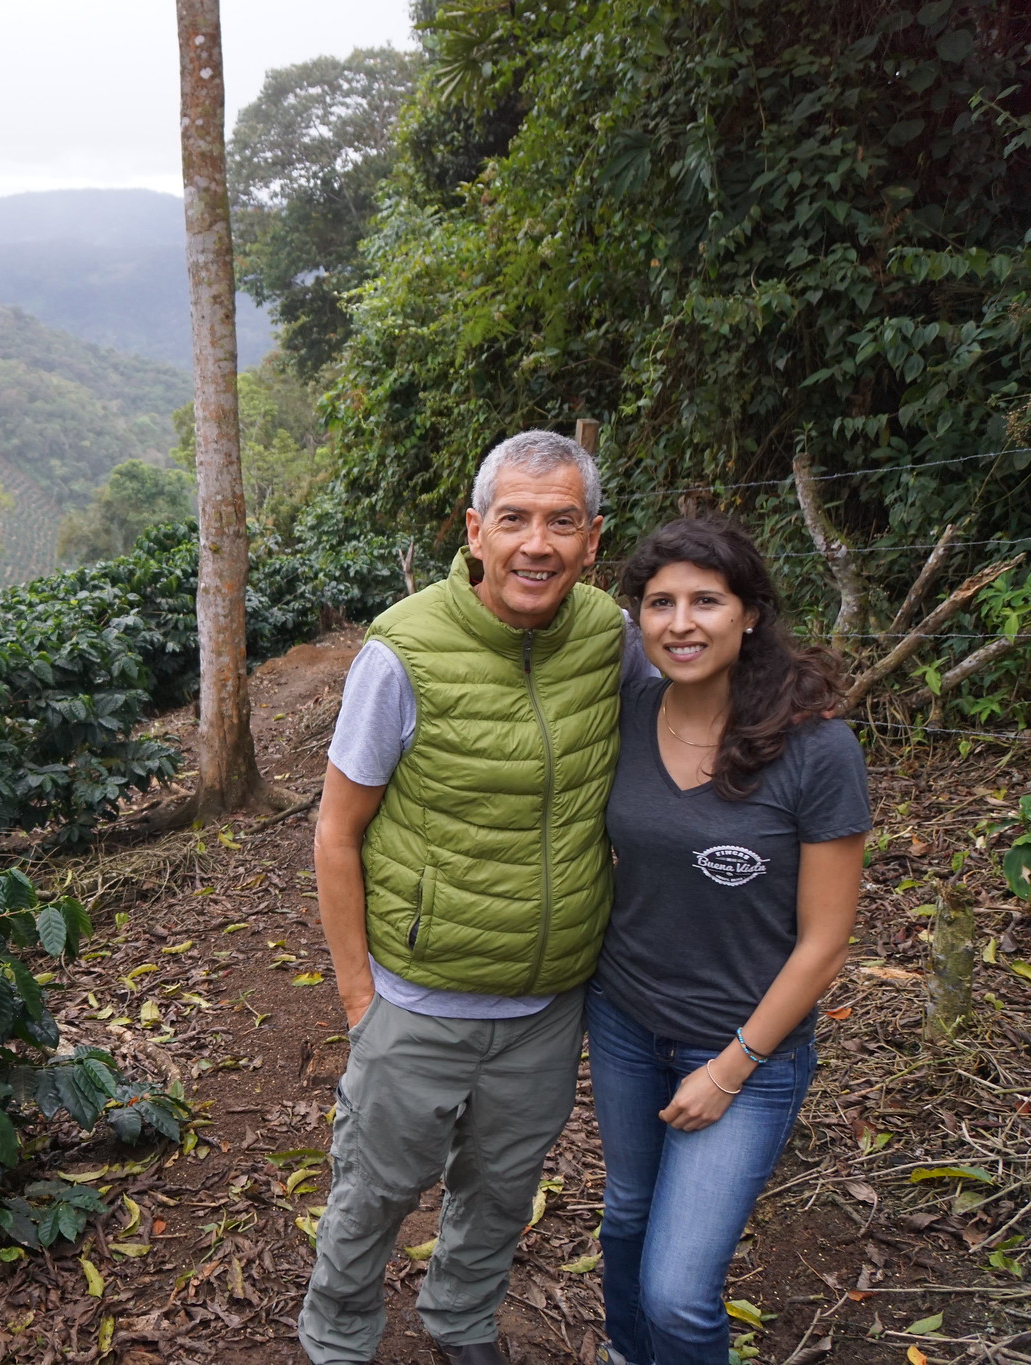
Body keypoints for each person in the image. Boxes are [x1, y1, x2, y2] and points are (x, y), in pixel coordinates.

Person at [301, 430, 653, 1365]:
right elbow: (337, 830)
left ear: (593, 538)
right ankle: (338, 1337)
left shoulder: (611, 638)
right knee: (375, 1188)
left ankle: (459, 1319)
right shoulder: (404, 650)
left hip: (547, 1003)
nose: (538, 543)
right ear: (476, 530)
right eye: (516, 519)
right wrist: (359, 1004)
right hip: (416, 996)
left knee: (502, 1187)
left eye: (561, 521)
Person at [588, 518, 868, 1365]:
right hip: (625, 1019)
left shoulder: (817, 747)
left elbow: (826, 942)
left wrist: (732, 1063)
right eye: (660, 602)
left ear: (749, 614)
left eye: (706, 600)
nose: (681, 622)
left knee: (678, 1295)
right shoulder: (628, 712)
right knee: (626, 1215)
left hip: (749, 1047)